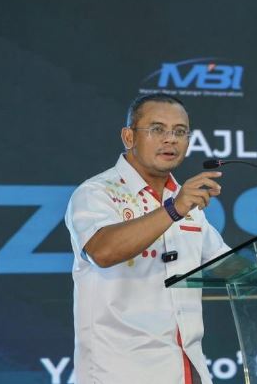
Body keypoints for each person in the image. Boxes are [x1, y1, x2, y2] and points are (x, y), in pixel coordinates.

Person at [64, 93, 230, 384]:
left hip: (187, 369)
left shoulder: (184, 202)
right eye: (157, 129)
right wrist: (174, 209)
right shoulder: (96, 193)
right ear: (129, 137)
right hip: (121, 372)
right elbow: (103, 251)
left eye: (180, 131)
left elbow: (229, 268)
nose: (171, 139)